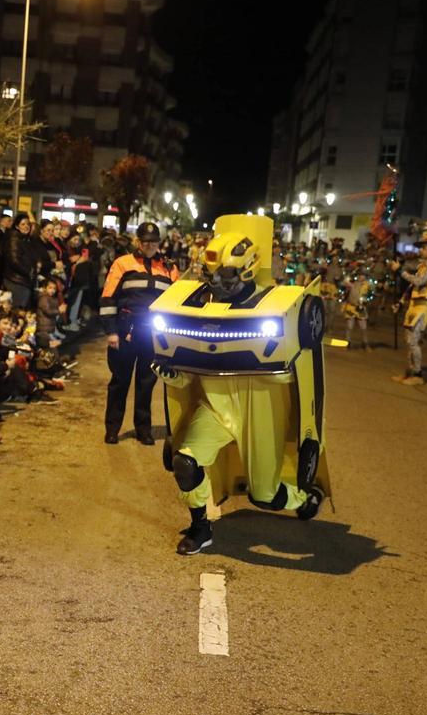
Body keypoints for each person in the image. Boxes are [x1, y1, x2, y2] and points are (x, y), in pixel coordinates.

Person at [151, 215, 327, 556]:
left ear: (246, 270)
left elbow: (297, 361)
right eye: (212, 274)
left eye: (226, 275)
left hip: (261, 410)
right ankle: (201, 527)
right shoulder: (194, 305)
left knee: (265, 496)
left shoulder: (280, 305)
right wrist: (169, 373)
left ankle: (304, 498)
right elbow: (186, 369)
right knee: (185, 463)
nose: (217, 281)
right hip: (215, 406)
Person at [100, 222, 179, 445]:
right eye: (146, 241)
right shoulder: (123, 263)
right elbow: (108, 298)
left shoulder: (169, 267)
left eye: (154, 241)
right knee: (120, 381)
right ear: (138, 242)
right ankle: (112, 429)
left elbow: (175, 302)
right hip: (126, 332)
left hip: (154, 335)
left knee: (146, 383)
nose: (150, 245)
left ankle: (143, 429)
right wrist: (111, 331)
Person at [392, 219, 427, 386]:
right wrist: (401, 302)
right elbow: (411, 287)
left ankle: (418, 374)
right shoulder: (423, 265)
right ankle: (410, 371)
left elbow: (419, 281)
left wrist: (400, 271)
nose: (421, 250)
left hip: (425, 305)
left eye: (424, 247)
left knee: (413, 340)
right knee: (408, 339)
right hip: (414, 304)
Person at [0, 213, 36, 308]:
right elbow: (14, 260)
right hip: (16, 280)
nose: (26, 227)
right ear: (17, 226)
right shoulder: (14, 239)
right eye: (23, 224)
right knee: (17, 308)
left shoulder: (24, 239)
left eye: (28, 224)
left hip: (21, 279)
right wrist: (29, 271)